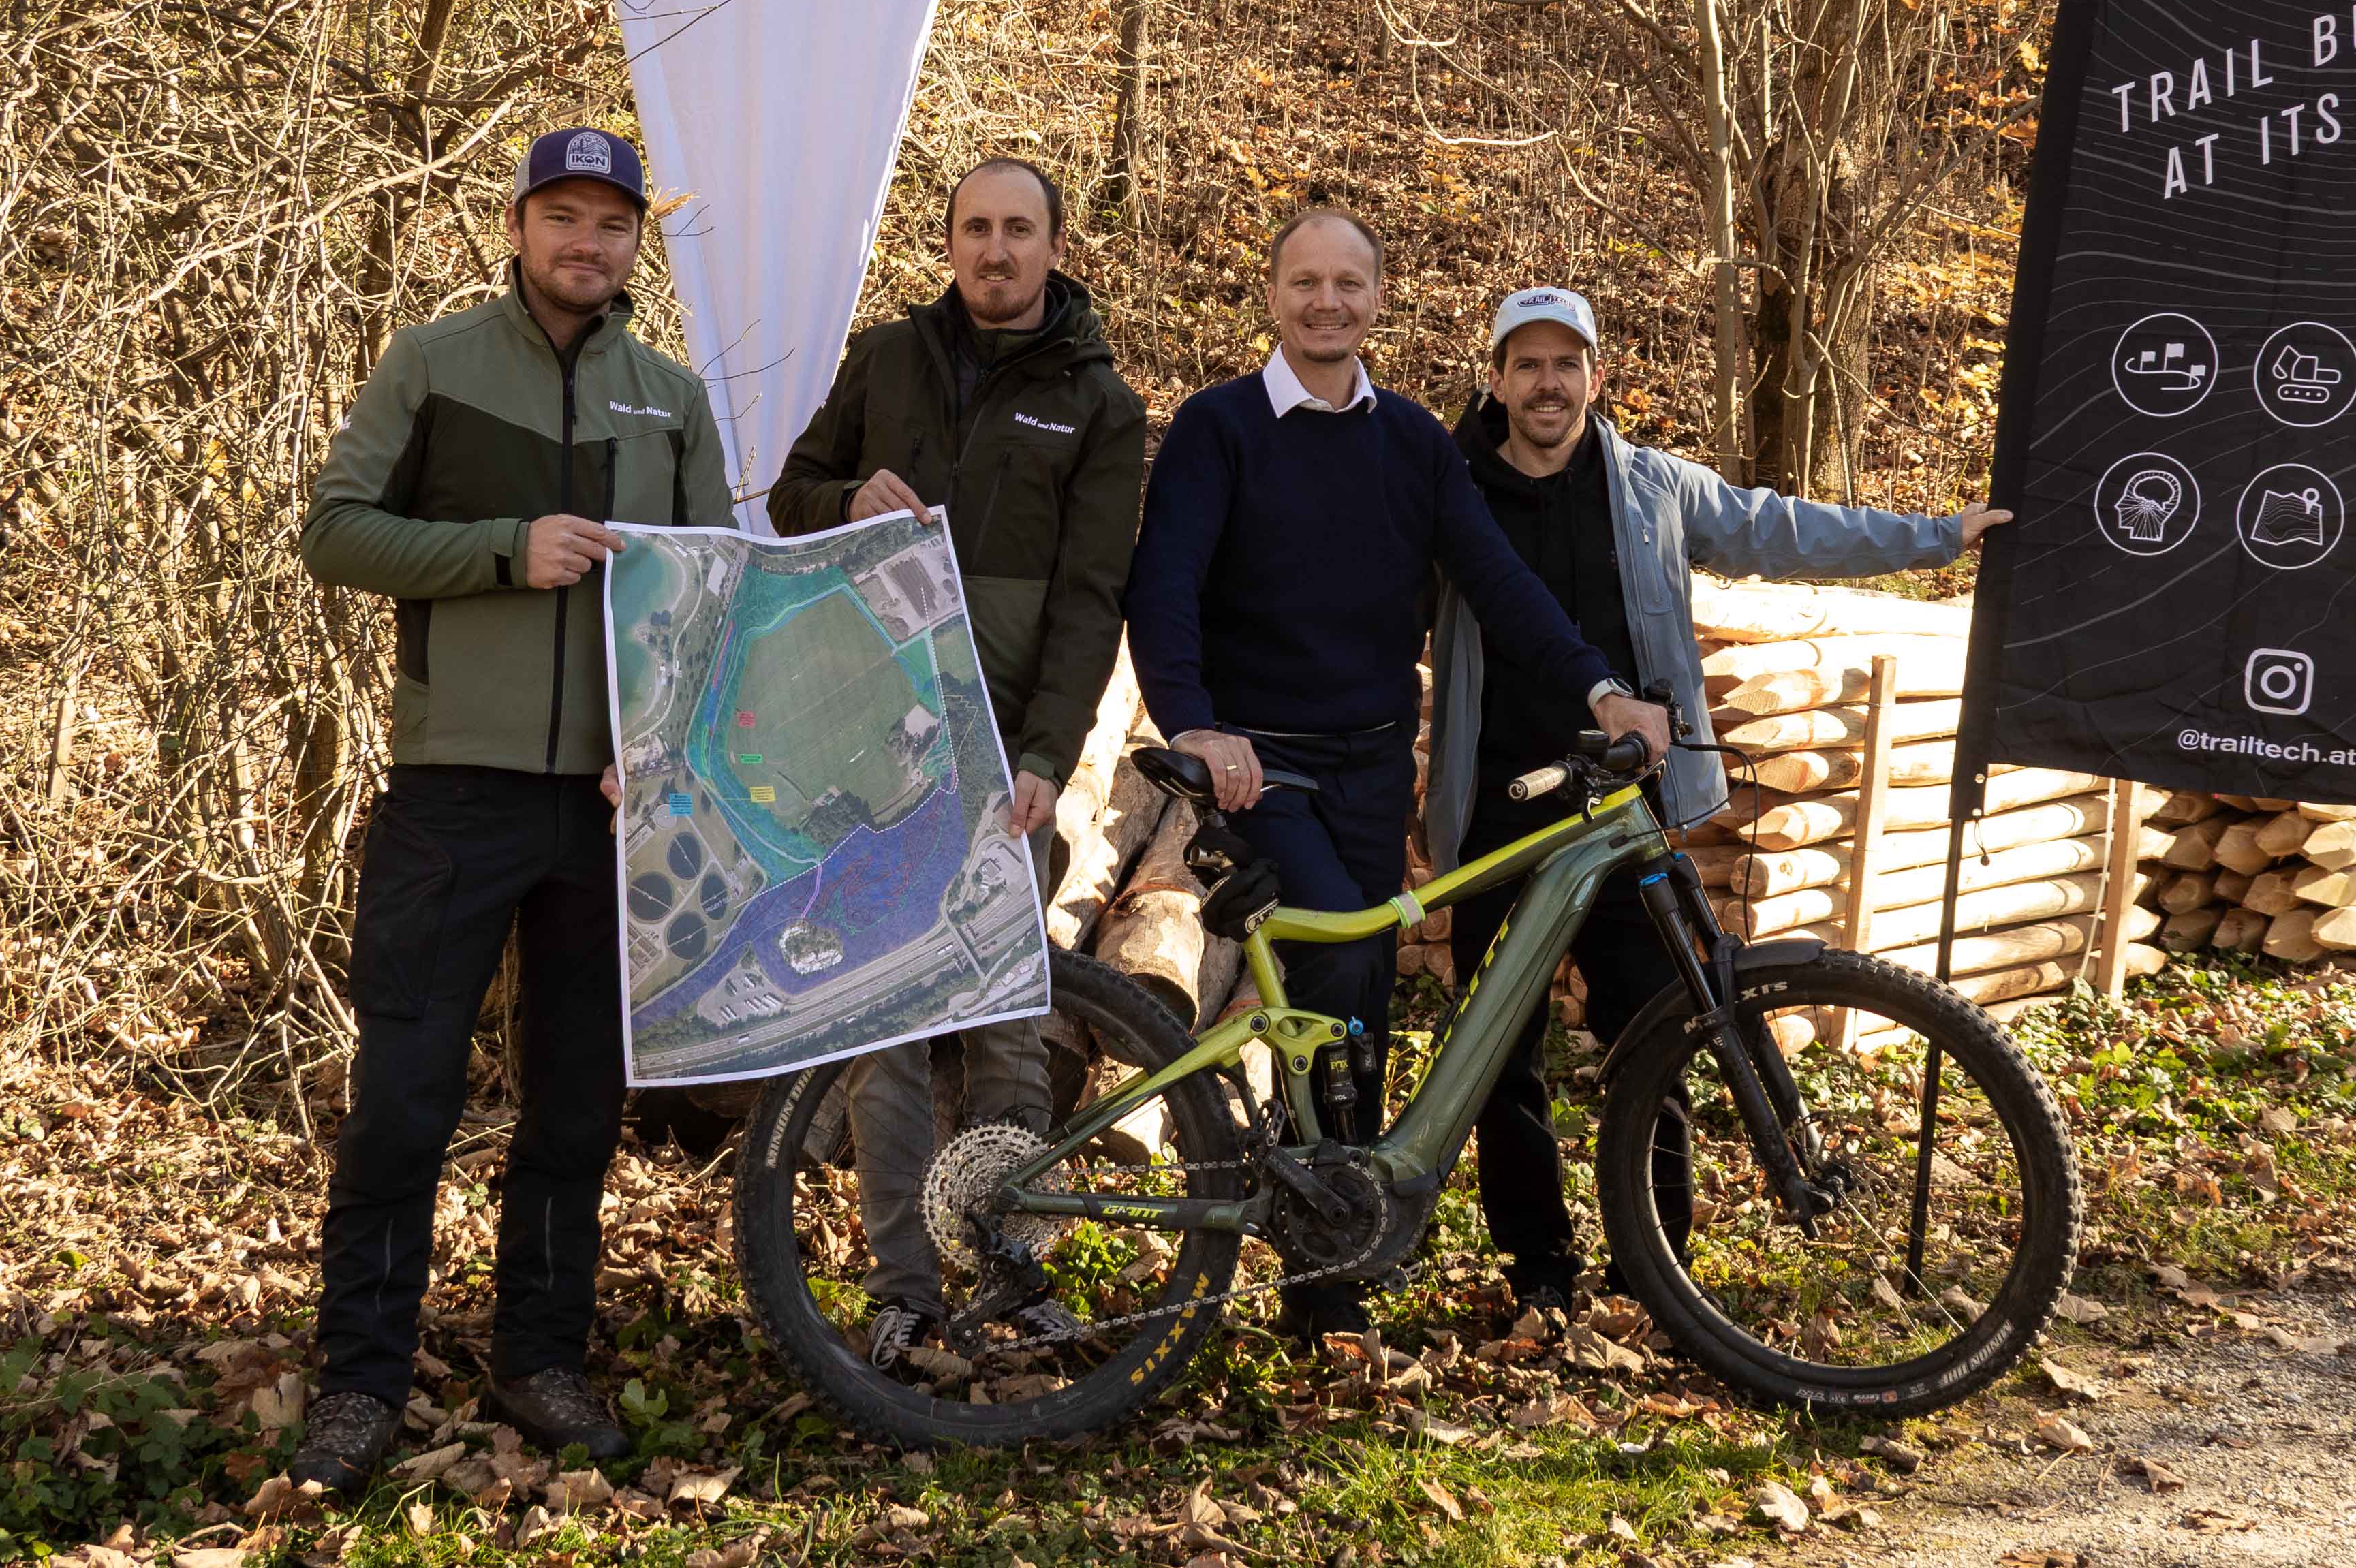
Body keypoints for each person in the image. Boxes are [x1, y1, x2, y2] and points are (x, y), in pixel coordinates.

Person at [1121, 209, 1671, 1336]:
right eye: (1305, 284)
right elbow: (1162, 588)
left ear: (1378, 300)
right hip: (1260, 768)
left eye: (1349, 285)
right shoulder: (1217, 429)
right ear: (1272, 296)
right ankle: (1322, 1283)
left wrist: (1599, 688)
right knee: (1342, 955)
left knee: (1360, 1002)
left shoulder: (1414, 442)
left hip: (1372, 765)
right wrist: (1198, 725)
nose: (1328, 304)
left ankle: (1337, 1259)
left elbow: (1501, 582)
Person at [287, 128, 735, 1496]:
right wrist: (502, 552)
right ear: (518, 222)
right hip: (454, 795)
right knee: (404, 1103)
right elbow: (335, 530)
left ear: (632, 245)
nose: (585, 243)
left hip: (612, 814)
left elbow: (713, 596)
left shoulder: (671, 399)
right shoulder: (433, 362)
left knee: (574, 1107)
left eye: (611, 223)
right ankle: (358, 1380)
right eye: (562, 216)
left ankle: (539, 1358)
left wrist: (665, 747)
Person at [1428, 285, 2007, 1323]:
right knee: (1495, 1057)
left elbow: (1779, 531)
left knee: (1654, 1037)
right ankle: (1539, 1275)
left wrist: (1933, 537)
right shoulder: (1449, 489)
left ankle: (1658, 1269)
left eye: (1567, 363)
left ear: (1596, 379)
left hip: (1625, 817)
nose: (1547, 383)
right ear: (1497, 381)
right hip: (1496, 811)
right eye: (1527, 364)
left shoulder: (1652, 490)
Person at [768, 155, 1147, 1368]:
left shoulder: (1100, 404)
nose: (996, 250)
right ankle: (902, 1292)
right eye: (976, 228)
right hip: (873, 752)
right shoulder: (887, 361)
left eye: (1018, 230)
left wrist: (1048, 752)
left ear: (1052, 245)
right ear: (949, 243)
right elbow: (785, 499)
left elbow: (1091, 601)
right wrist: (841, 503)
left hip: (1003, 764)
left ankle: (1013, 1271)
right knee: (889, 1026)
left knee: (1000, 1021)